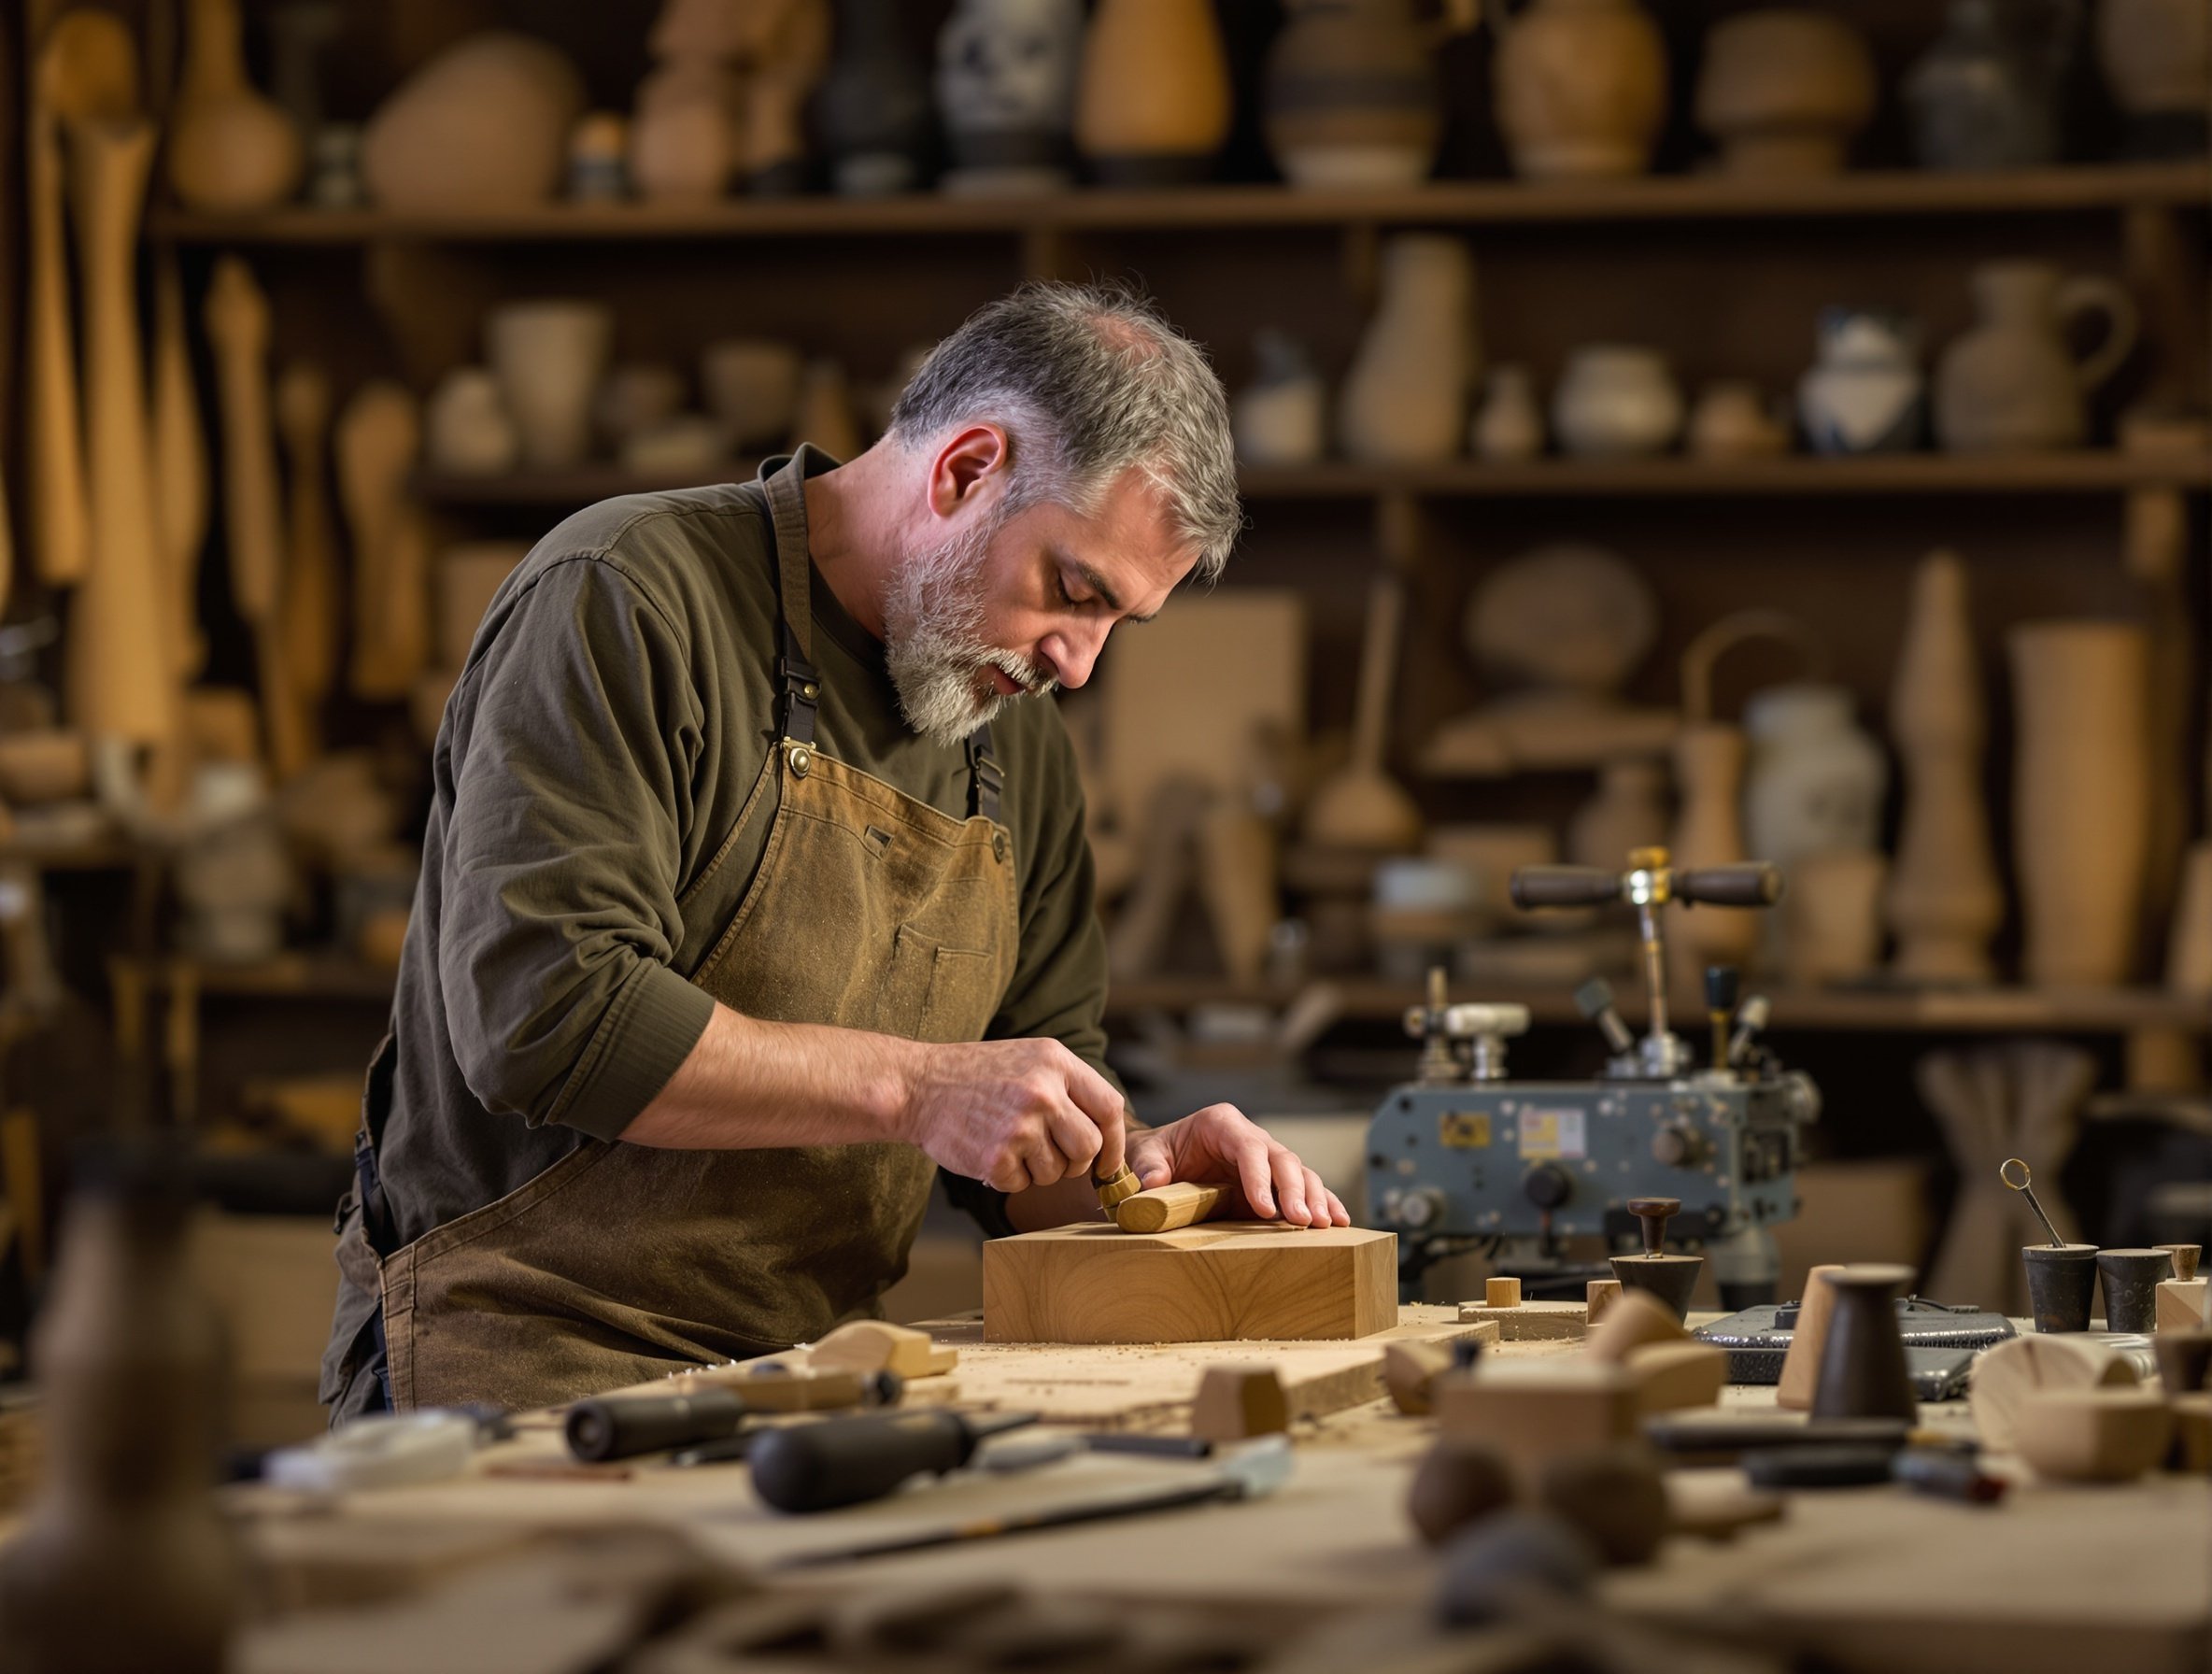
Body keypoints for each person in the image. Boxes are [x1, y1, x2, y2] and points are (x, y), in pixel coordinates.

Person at [321, 282, 1351, 1421]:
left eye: (1118, 622)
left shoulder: (1017, 742)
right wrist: (918, 1089)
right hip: (530, 1350)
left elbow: (1014, 1147)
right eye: (1073, 590)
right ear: (966, 469)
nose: (1078, 663)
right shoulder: (627, 596)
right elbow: (543, 1017)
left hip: (814, 1376)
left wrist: (1142, 1167)